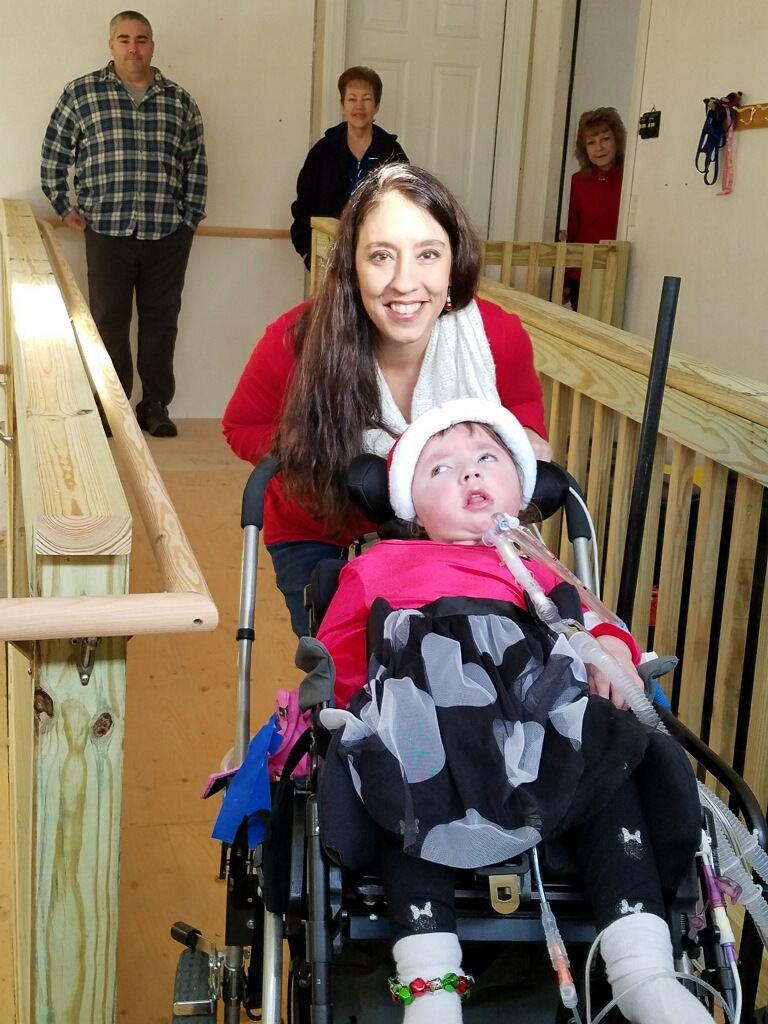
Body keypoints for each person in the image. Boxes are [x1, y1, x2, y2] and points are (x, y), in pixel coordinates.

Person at [315, 398, 713, 1024]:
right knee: (395, 773)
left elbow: (598, 631)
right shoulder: (379, 566)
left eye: (485, 459)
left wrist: (610, 642)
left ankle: (643, 973)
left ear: (519, 486)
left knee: (612, 751)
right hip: (428, 720)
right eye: (439, 469)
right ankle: (429, 988)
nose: (468, 475)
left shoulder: (539, 571)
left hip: (538, 715)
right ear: (410, 507)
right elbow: (340, 657)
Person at [223, 163, 551, 637]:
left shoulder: (498, 337)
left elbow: (527, 426)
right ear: (352, 268)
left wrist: (528, 447)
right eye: (381, 256)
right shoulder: (298, 339)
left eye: (428, 254)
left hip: (449, 534)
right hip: (322, 530)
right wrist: (314, 447)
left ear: (454, 263)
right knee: (351, 672)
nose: (404, 282)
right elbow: (241, 427)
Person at [41, 10, 208, 438]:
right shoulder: (81, 95)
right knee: (108, 320)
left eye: (142, 39)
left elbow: (196, 165)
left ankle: (154, 406)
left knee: (161, 320)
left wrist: (188, 220)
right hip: (107, 231)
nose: (133, 47)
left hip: (167, 233)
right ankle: (110, 405)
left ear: (152, 45)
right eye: (124, 39)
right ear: (111, 45)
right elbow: (54, 155)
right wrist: (63, 205)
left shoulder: (179, 100)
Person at [290, 65, 408, 269]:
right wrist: (308, 251)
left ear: (377, 106)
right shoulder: (323, 150)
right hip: (328, 254)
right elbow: (303, 204)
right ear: (342, 105)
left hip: (379, 258)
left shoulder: (391, 152)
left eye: (367, 99)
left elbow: (406, 205)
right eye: (352, 99)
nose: (359, 106)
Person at [565, 107, 626, 312]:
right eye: (591, 142)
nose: (599, 148)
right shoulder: (578, 181)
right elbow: (573, 230)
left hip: (619, 269)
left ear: (617, 140)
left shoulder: (631, 178)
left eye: (605, 139)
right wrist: (564, 278)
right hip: (582, 272)